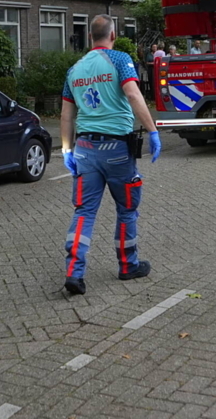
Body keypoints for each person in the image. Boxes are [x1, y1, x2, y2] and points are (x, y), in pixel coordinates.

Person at [60, 15, 162, 295]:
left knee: (84, 211)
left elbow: (66, 115)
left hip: (84, 150)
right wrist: (152, 130)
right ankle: (128, 265)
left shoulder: (74, 69)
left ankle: (74, 273)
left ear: (90, 37)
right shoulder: (119, 60)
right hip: (116, 149)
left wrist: (66, 149)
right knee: (126, 208)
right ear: (113, 35)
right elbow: (133, 95)